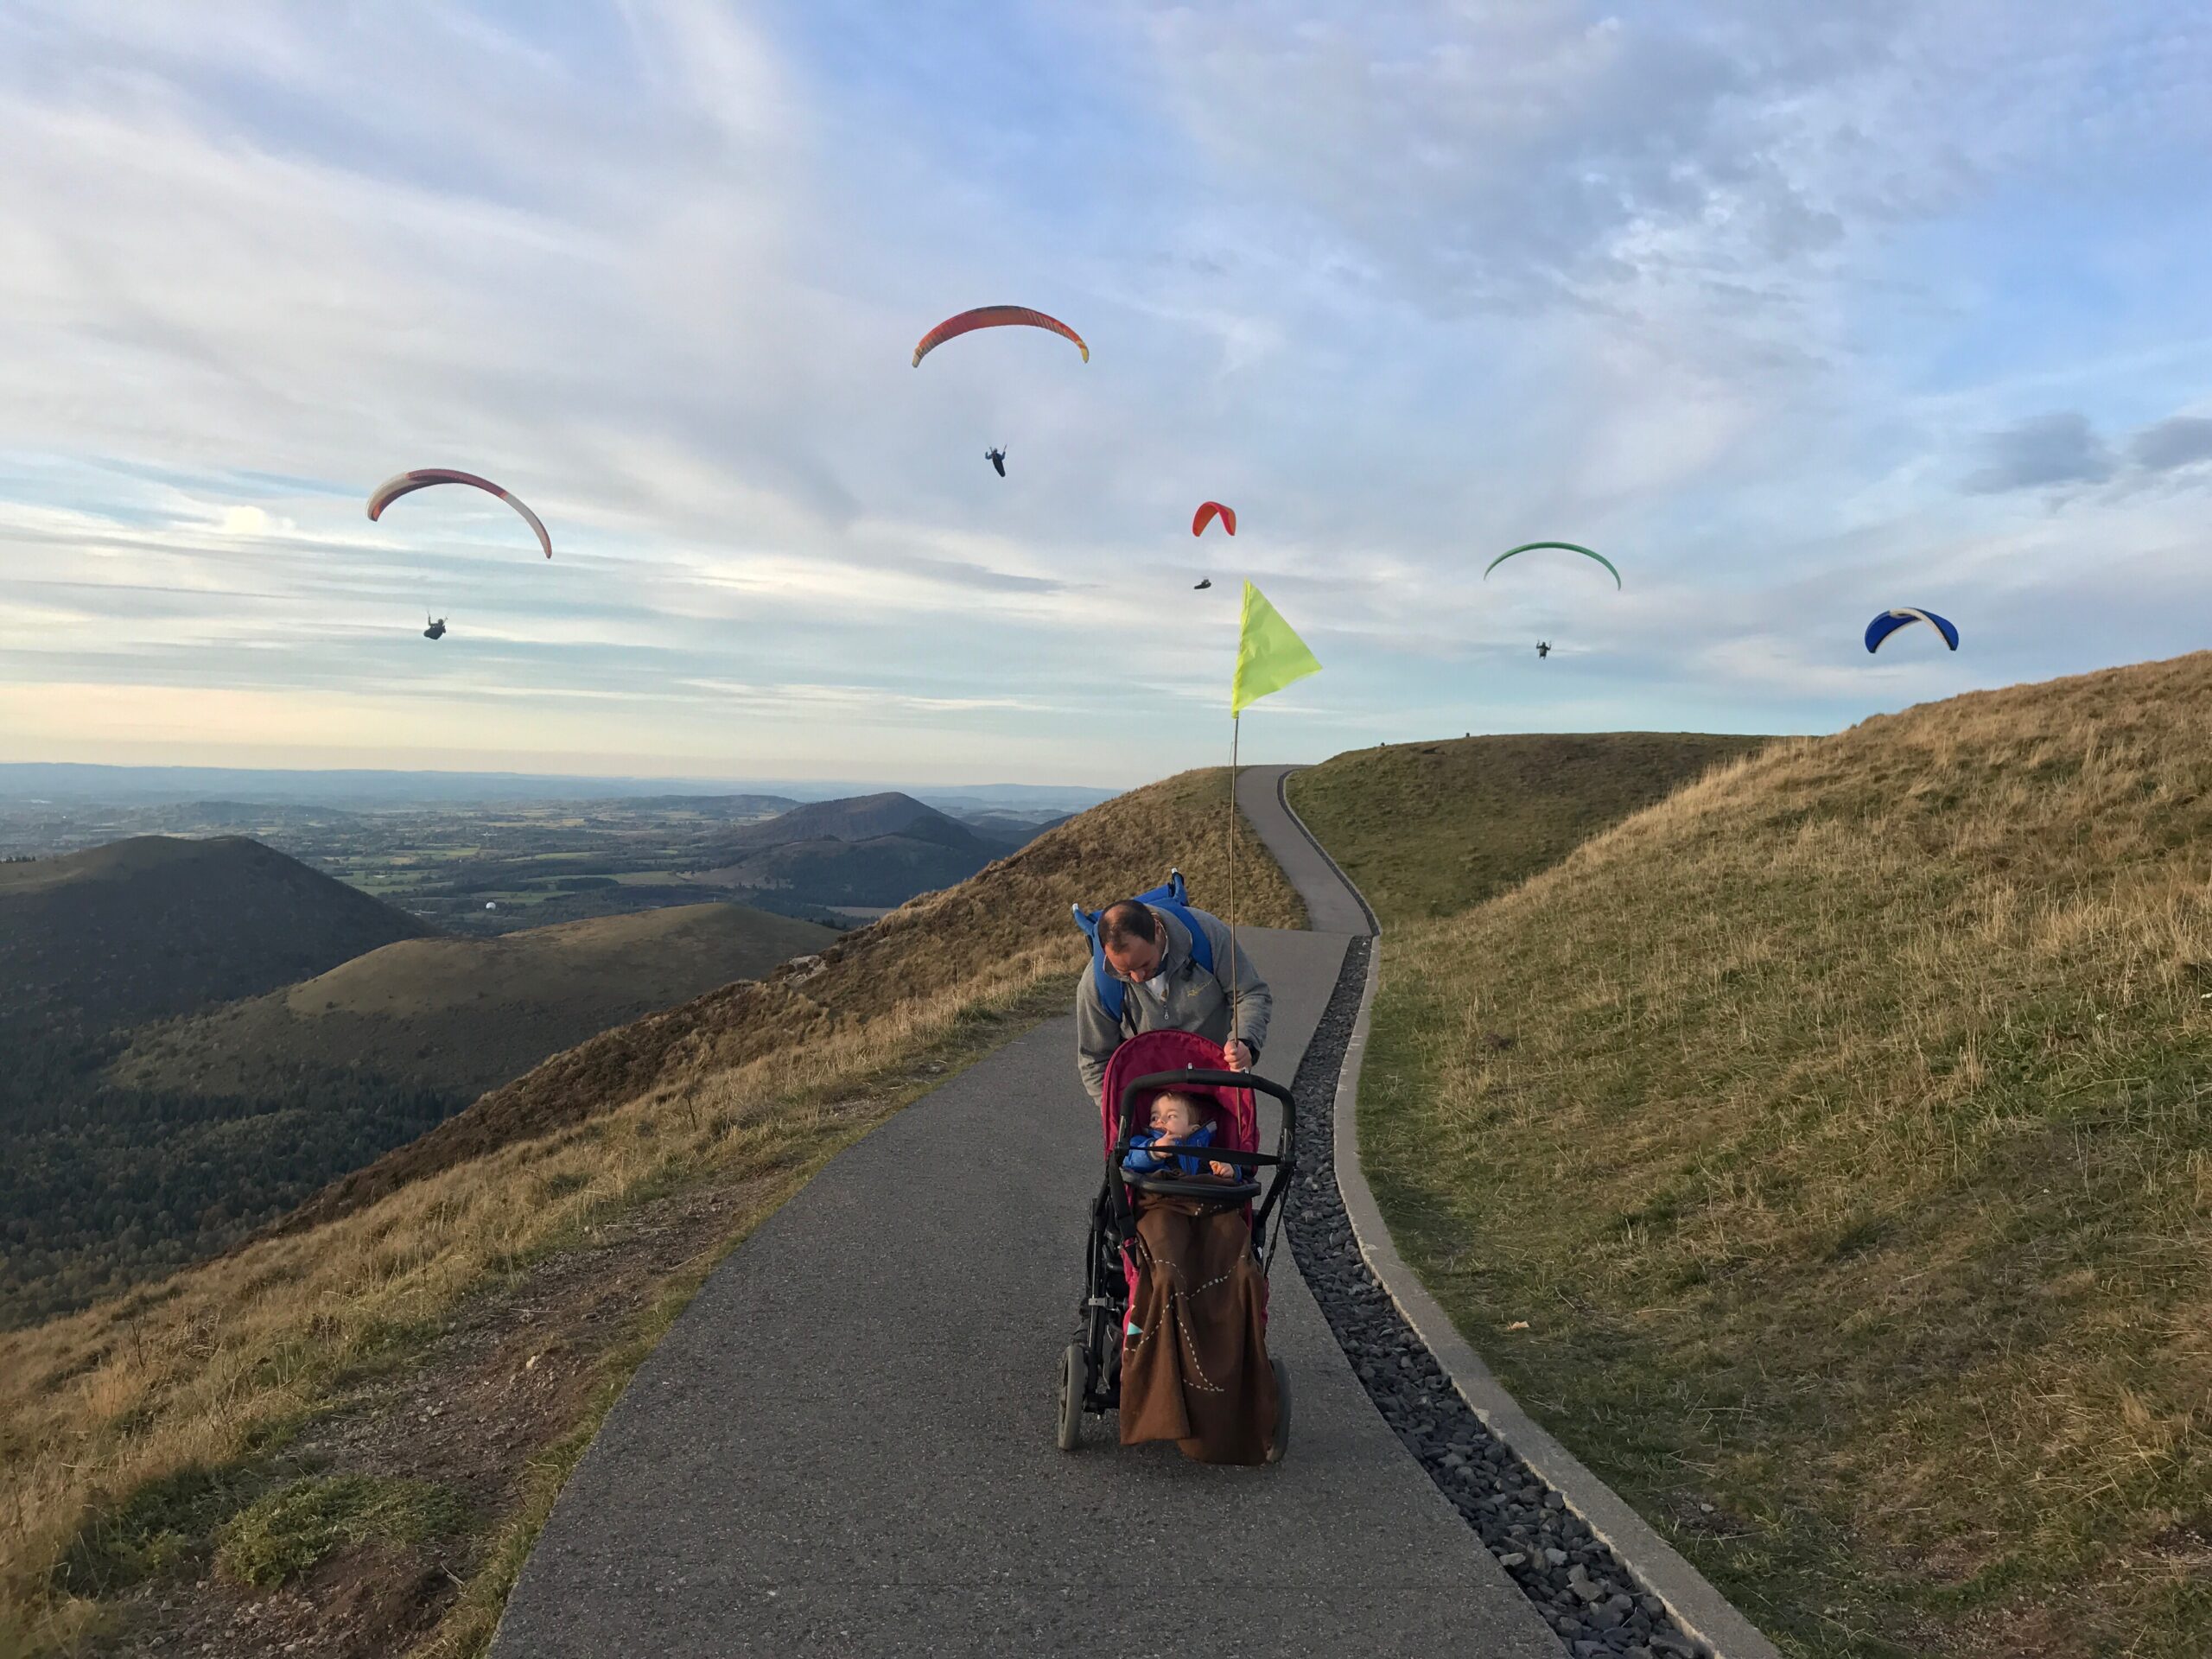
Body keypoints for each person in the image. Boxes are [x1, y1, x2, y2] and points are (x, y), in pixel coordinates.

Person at [1075, 893, 1270, 1106]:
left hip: (1219, 1087)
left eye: (1145, 965)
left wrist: (1245, 1042)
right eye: (1125, 971)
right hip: (1149, 1104)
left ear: (1158, 930)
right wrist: (1118, 1115)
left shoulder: (1207, 935)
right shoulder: (1097, 983)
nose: (1137, 978)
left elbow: (1249, 993)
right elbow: (1095, 1060)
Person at [1122, 1090, 1236, 1179]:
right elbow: (1128, 1161)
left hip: (1202, 1199)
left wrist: (1230, 1170)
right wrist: (1154, 1151)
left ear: (1193, 1129)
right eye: (1154, 1117)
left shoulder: (1207, 1152)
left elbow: (1236, 1170)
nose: (1160, 1120)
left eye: (1171, 1116)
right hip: (1164, 1199)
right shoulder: (1142, 1143)